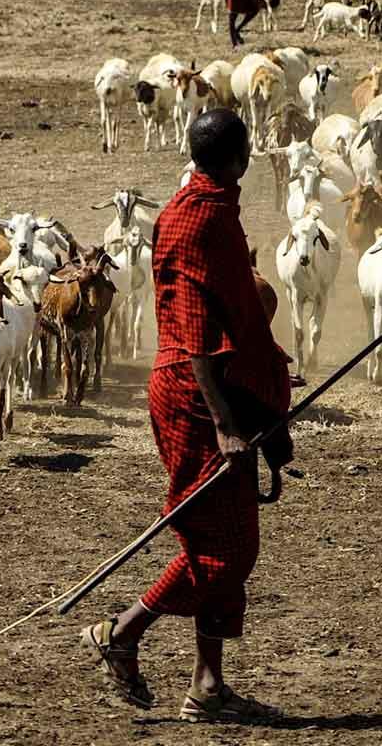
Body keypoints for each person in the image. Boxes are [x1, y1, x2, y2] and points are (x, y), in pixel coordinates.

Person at [82, 109, 291, 724]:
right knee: (228, 550)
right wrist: (225, 420)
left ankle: (208, 686)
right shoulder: (203, 220)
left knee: (220, 535)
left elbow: (223, 313)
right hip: (198, 398)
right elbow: (197, 334)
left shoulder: (199, 208)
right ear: (241, 158)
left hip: (214, 389)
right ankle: (123, 630)